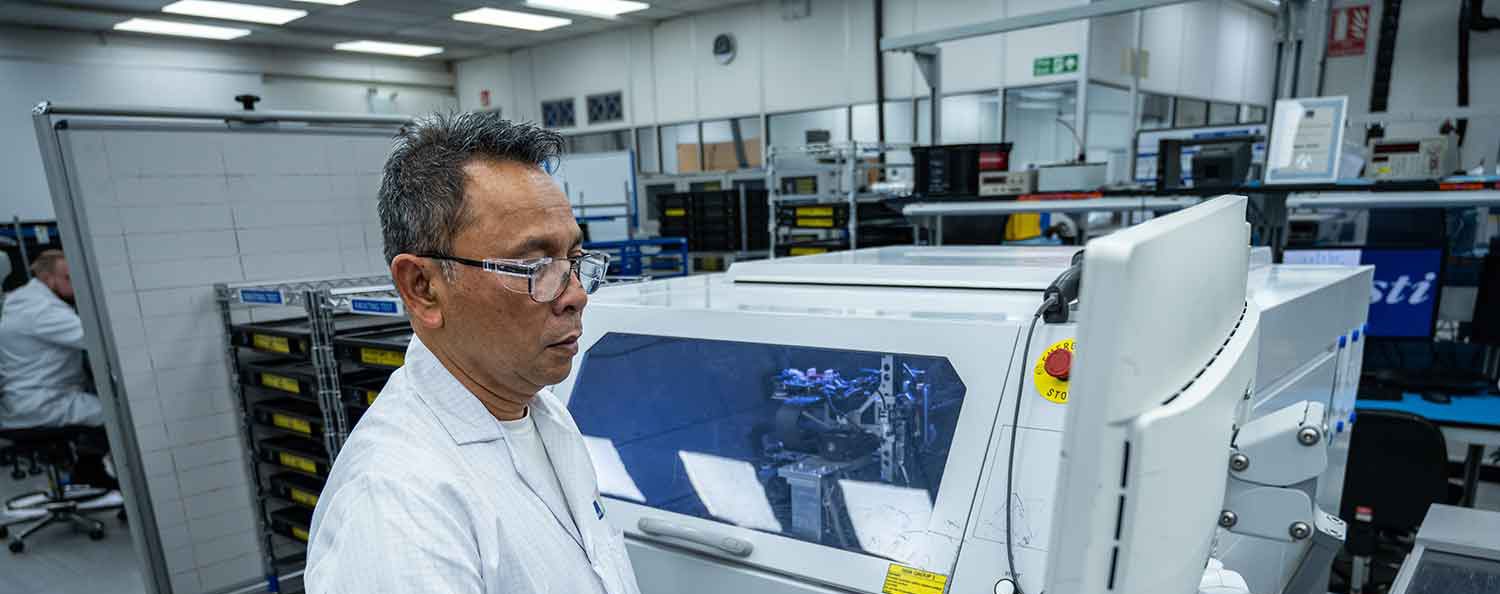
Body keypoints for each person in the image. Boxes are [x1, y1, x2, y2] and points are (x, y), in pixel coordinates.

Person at [306, 113, 637, 594]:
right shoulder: (399, 505)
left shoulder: (542, 412)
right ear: (423, 288)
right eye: (535, 265)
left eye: (574, 260)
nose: (575, 295)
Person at [0, 250, 115, 489]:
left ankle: (87, 468)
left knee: (102, 404)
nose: (76, 286)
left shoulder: (22, 300)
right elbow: (97, 339)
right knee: (120, 416)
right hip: (44, 404)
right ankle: (94, 471)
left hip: (23, 401)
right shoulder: (42, 311)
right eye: (69, 279)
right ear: (48, 279)